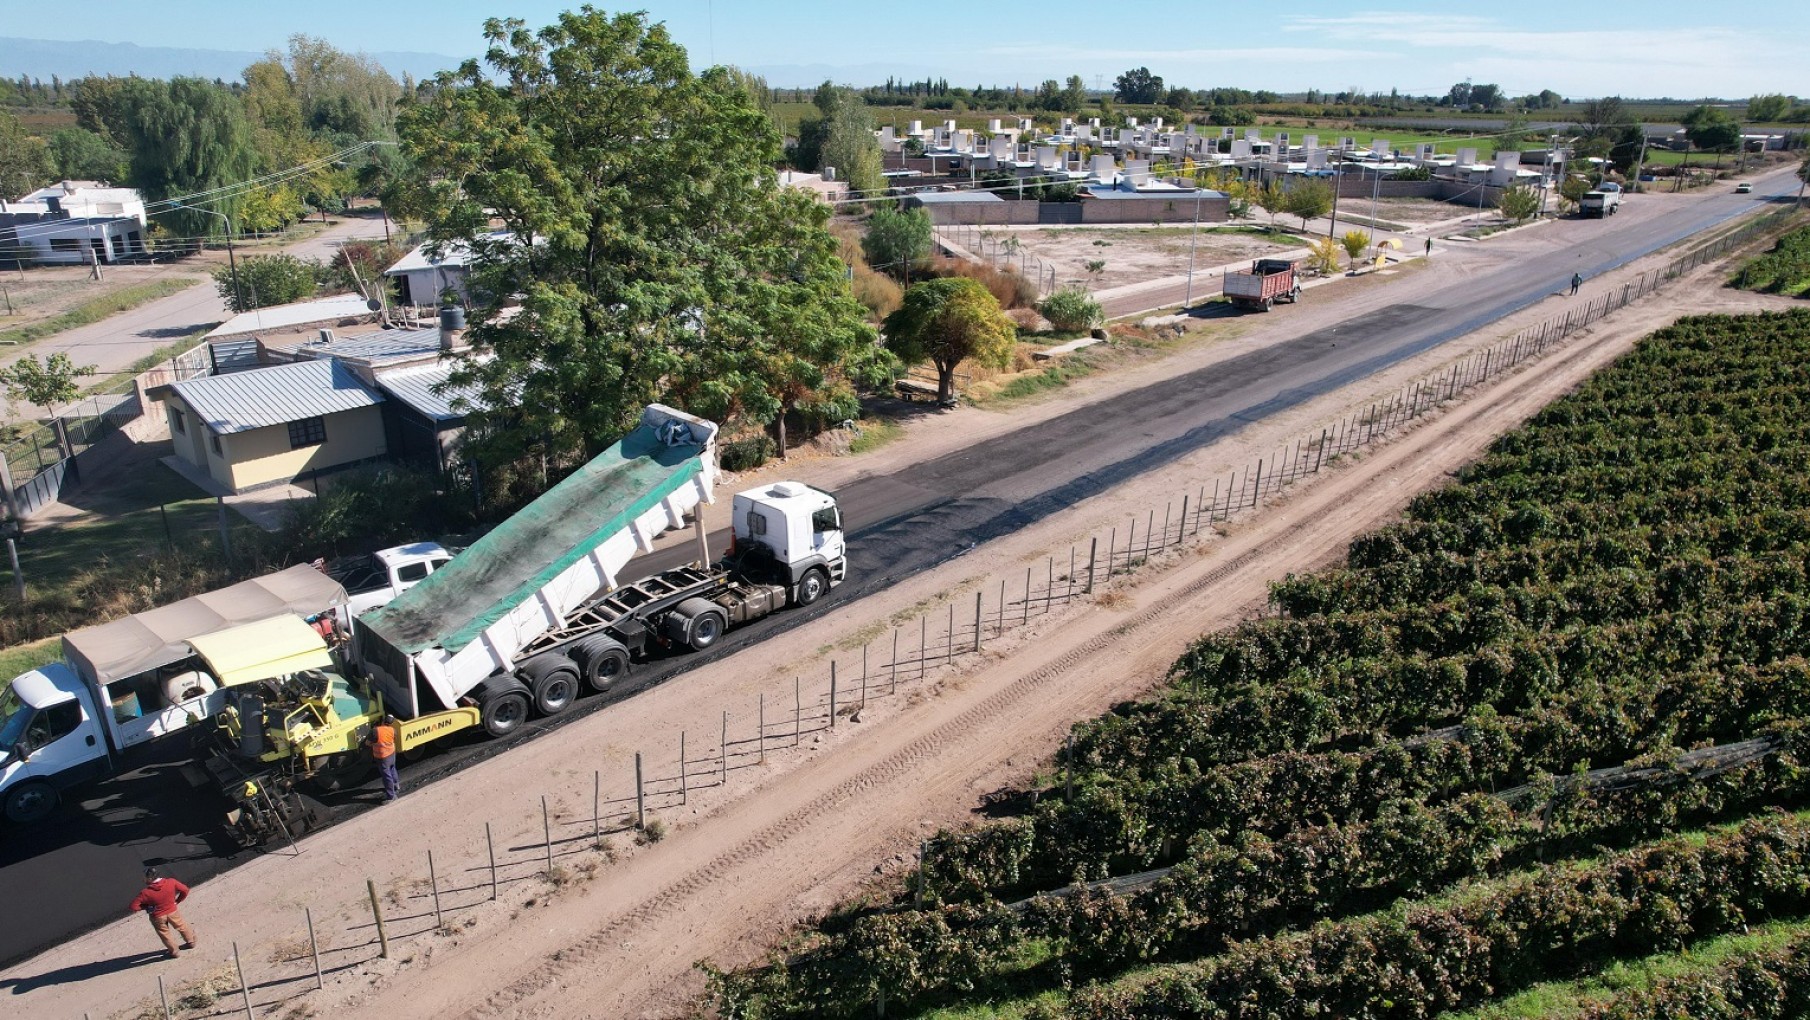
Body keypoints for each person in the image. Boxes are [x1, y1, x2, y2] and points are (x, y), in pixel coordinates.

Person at [129, 867, 196, 960]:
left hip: (157, 916)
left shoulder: (145, 893)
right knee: (181, 926)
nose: (143, 879)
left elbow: (133, 906)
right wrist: (177, 901)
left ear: (150, 878)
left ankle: (174, 951)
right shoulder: (171, 882)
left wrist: (146, 907)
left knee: (165, 934)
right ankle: (191, 941)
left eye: (144, 878)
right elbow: (185, 890)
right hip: (172, 911)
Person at [368, 714, 399, 802]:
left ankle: (391, 796)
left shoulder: (375, 731)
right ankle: (396, 786)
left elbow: (367, 743)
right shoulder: (393, 730)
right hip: (392, 753)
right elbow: (393, 739)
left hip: (382, 757)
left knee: (386, 776)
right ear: (391, 723)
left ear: (382, 721)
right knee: (392, 769)